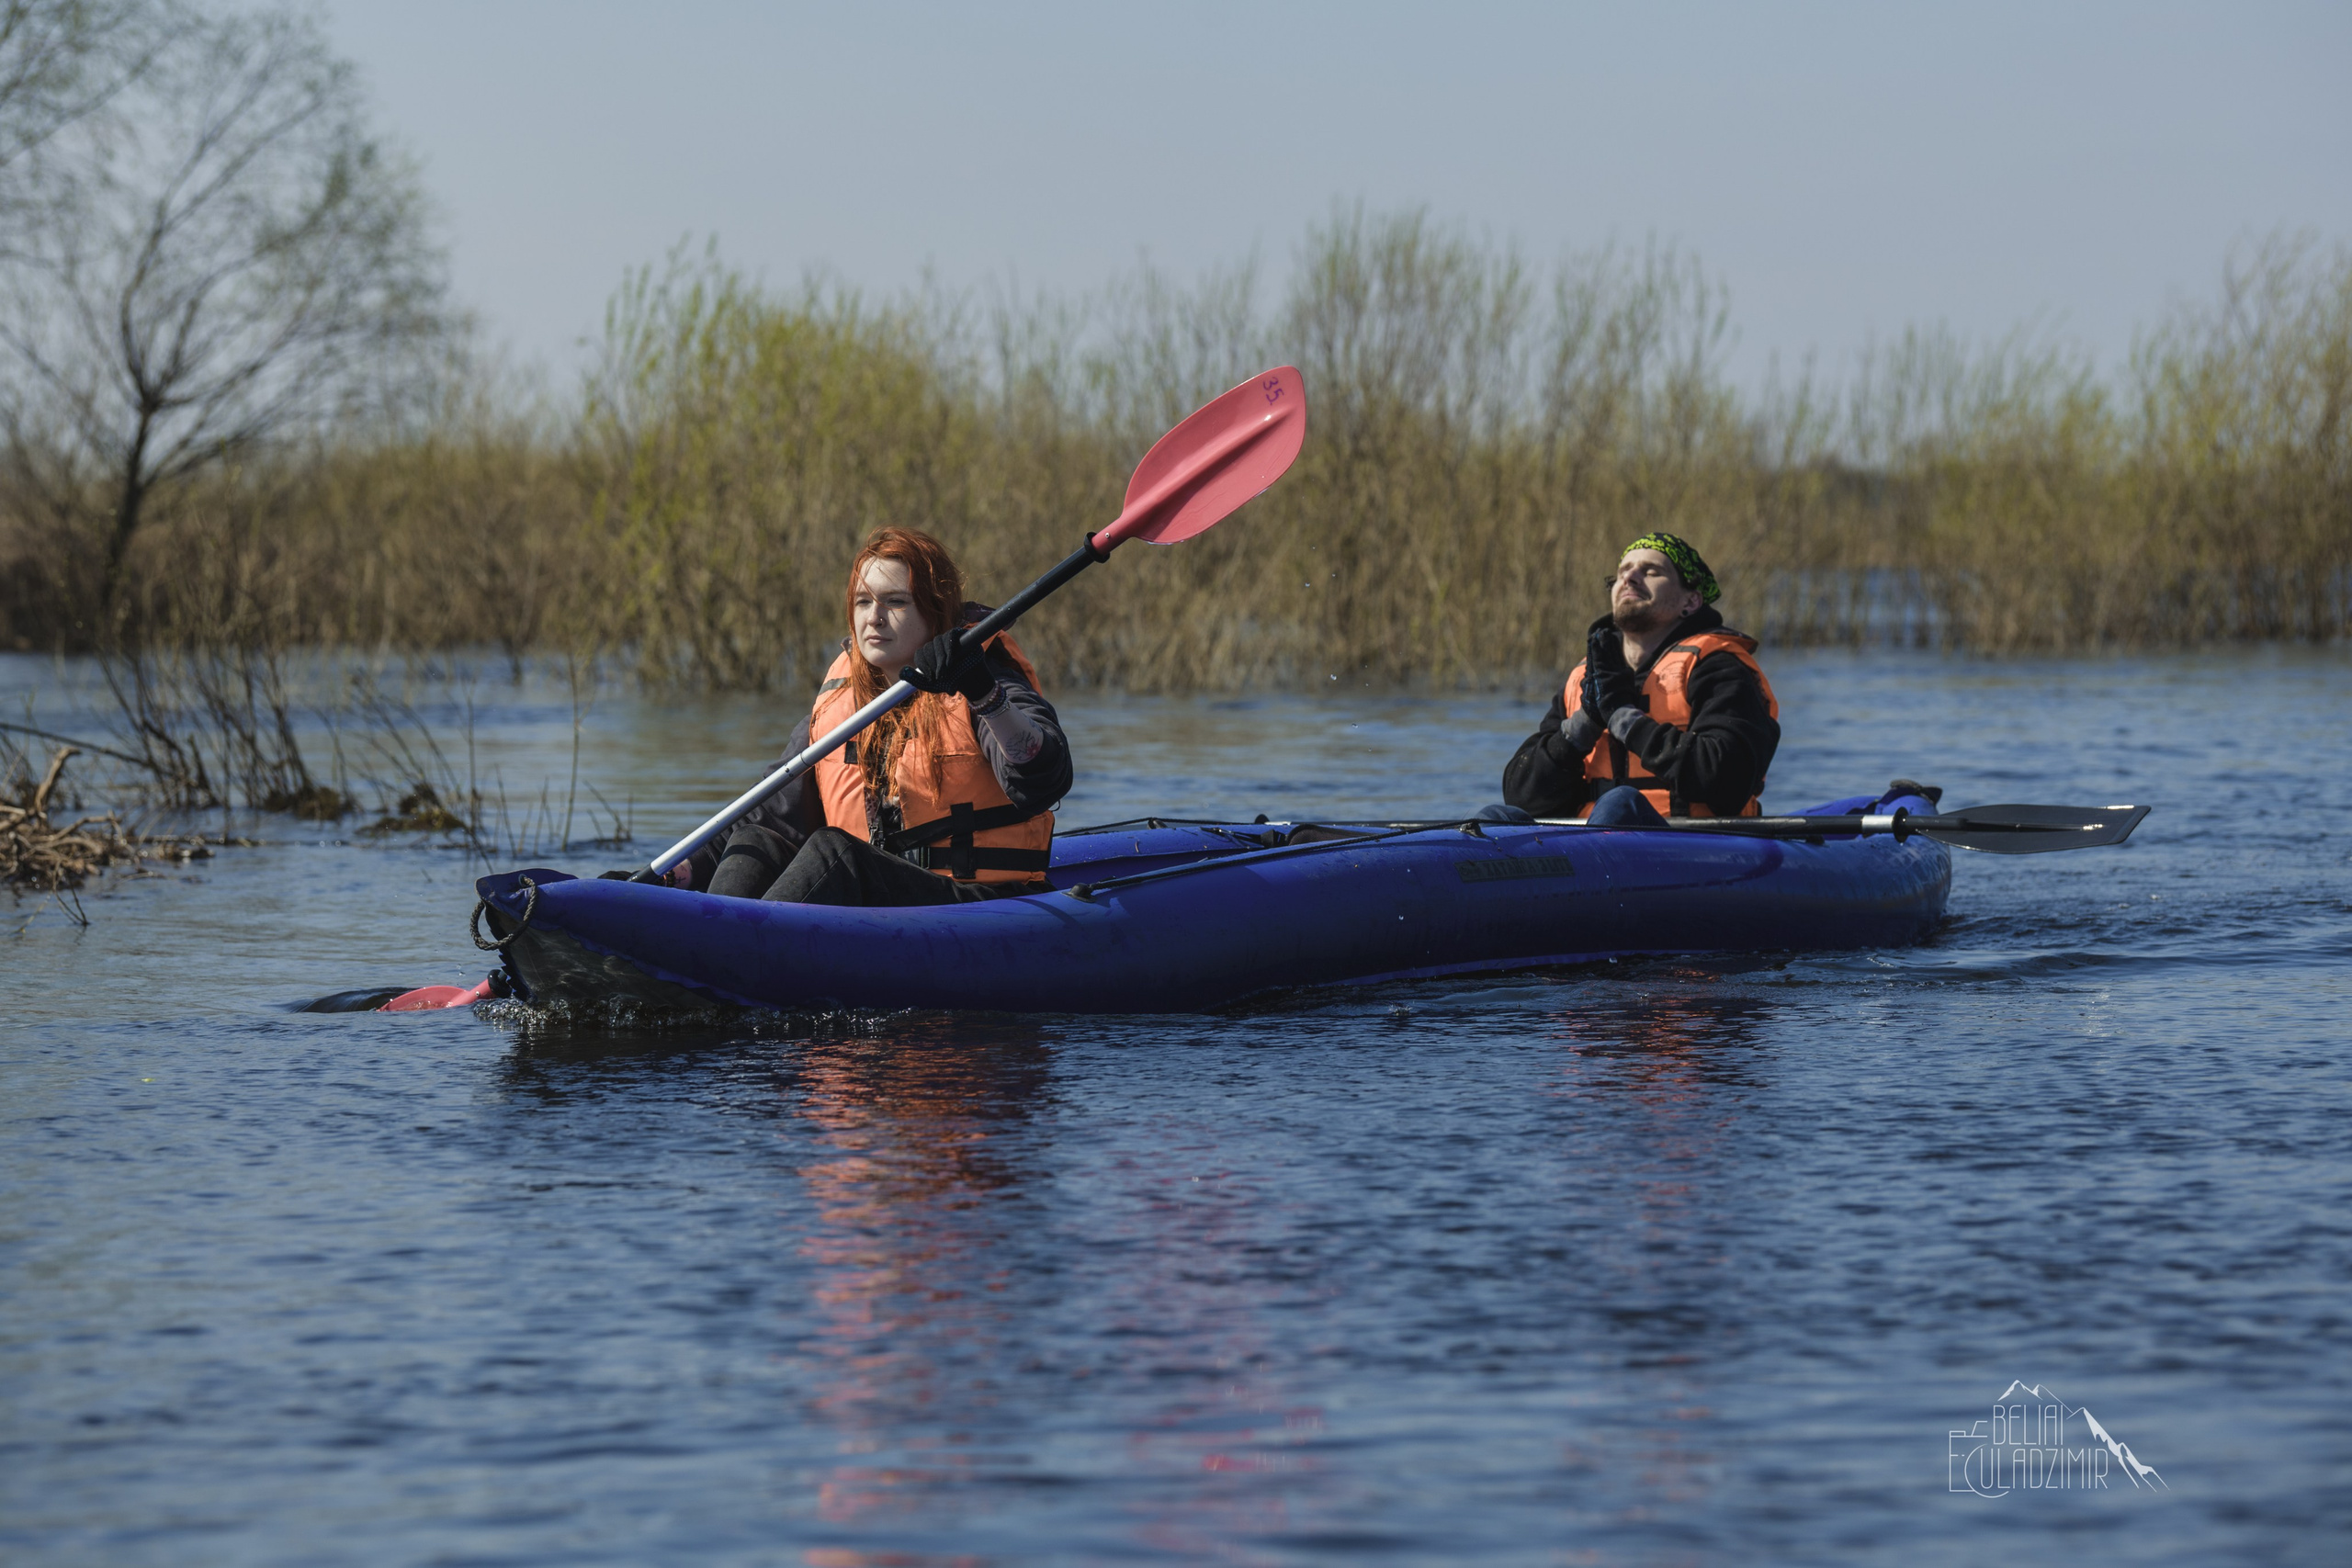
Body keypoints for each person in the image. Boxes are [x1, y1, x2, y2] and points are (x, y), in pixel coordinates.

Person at [675, 527, 1071, 906]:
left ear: (934, 612)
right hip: (880, 904)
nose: (874, 618)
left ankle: (737, 954)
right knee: (754, 841)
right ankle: (704, 939)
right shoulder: (841, 701)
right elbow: (768, 810)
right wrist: (677, 873)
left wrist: (981, 690)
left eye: (895, 601)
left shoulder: (984, 676)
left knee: (837, 852)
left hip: (980, 905)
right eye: (864, 602)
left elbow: (1044, 778)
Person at [1500, 531, 1780, 826]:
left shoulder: (1719, 668)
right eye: (1623, 571)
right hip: (1591, 845)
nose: (1630, 577)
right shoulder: (1586, 679)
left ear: (1691, 601)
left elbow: (1727, 782)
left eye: (1651, 571)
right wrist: (1588, 721)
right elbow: (1522, 797)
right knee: (1498, 817)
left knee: (1620, 805)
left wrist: (1624, 719)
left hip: (1695, 843)